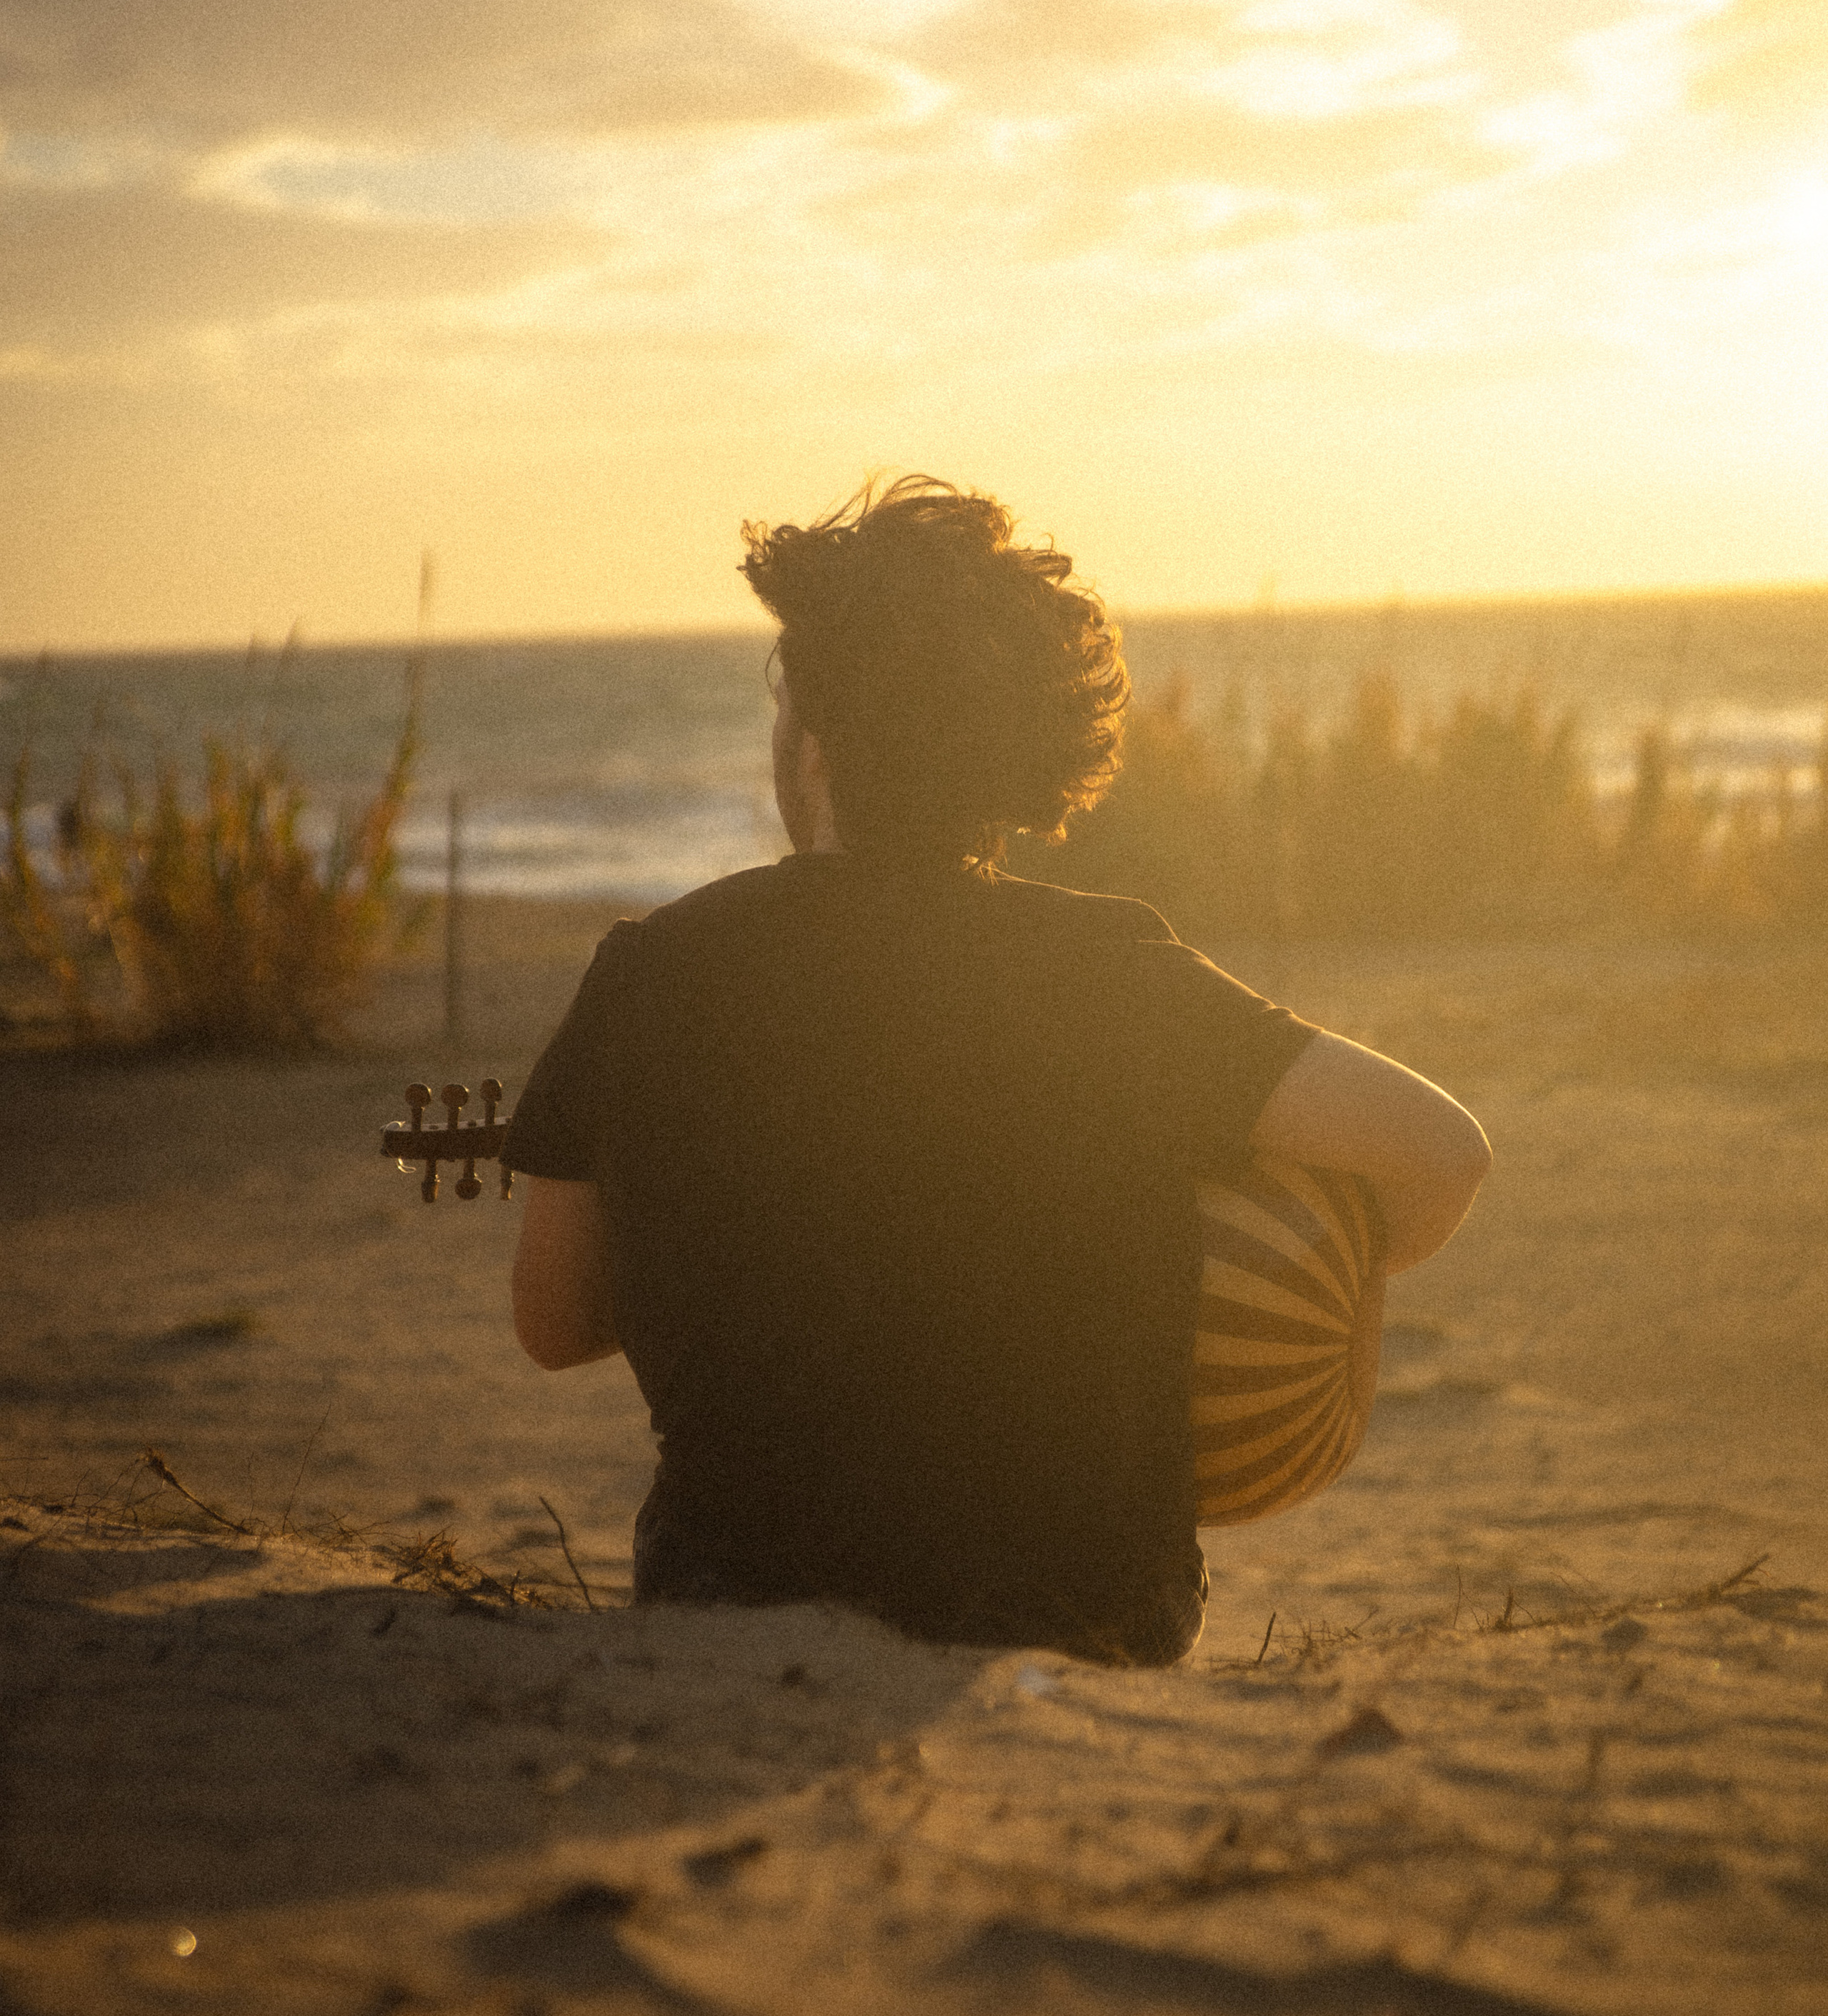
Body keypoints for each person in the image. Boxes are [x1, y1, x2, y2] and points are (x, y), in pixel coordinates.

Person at [503, 478, 1489, 1663]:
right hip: (1091, 1610)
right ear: (1015, 752)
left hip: (733, 1598)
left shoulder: (653, 970)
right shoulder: (1110, 970)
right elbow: (1442, 1154)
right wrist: (1315, 1284)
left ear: (814, 745)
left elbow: (555, 1323)